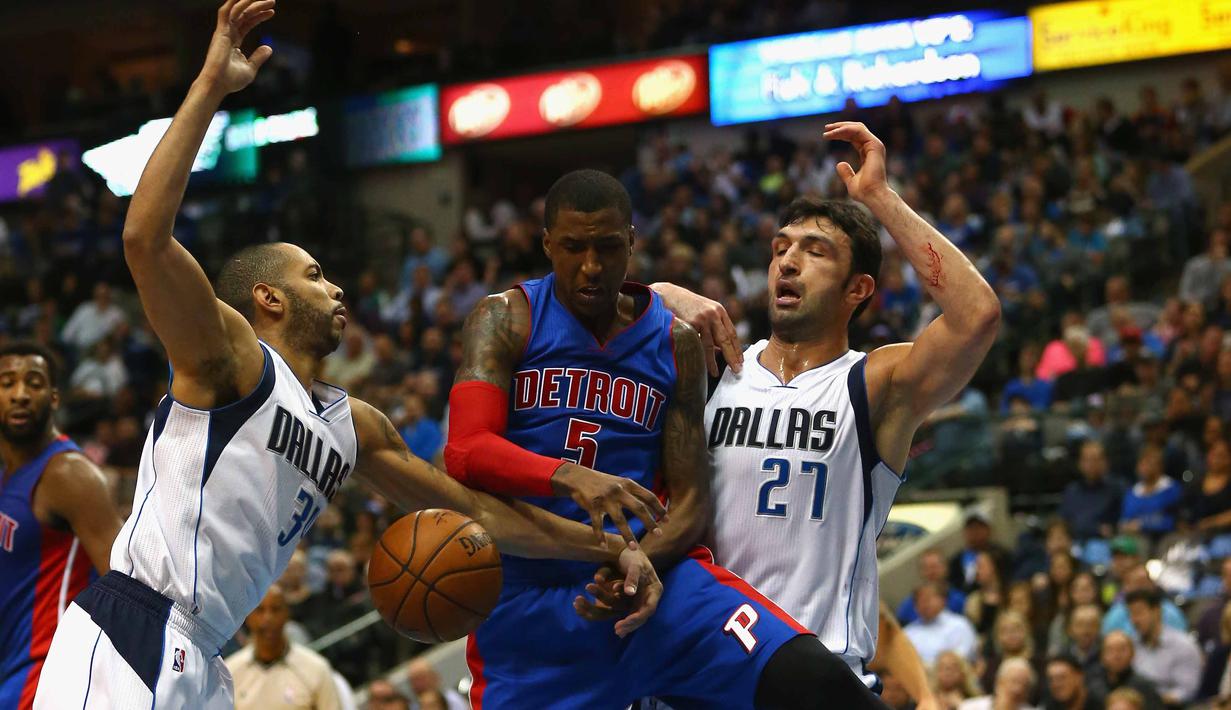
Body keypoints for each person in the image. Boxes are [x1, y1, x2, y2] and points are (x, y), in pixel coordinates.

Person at [34, 5, 661, 708]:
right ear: (267, 299)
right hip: (134, 627)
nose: (334, 288)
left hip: (206, 654)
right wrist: (211, 84)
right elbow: (144, 240)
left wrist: (608, 548)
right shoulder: (232, 360)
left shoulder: (351, 425)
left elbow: (480, 516)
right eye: (312, 275)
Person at [446, 166, 888, 709]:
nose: (590, 266)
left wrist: (637, 560)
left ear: (632, 242)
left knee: (815, 680)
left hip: (654, 582)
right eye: (572, 248)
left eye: (607, 247)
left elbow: (691, 501)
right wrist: (569, 477)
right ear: (546, 245)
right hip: (526, 599)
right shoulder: (505, 317)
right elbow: (465, 450)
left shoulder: (673, 342)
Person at [651, 121, 1000, 696]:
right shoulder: (714, 366)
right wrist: (662, 291)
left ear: (858, 290)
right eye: (781, 248)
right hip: (701, 674)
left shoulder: (874, 383)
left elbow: (976, 316)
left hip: (818, 678)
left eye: (815, 252)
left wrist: (878, 199)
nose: (787, 262)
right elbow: (587, 315)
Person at [0, 342, 124, 710]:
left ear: (54, 398)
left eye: (33, 383)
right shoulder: (7, 474)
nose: (20, 394)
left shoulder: (70, 475)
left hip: (46, 679)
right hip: (10, 669)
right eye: (7, 383)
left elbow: (125, 583)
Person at [225, 586, 341, 710]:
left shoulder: (317, 669)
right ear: (247, 617)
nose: (268, 618)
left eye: (275, 609)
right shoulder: (230, 672)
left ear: (287, 614)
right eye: (260, 610)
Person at [1125, 589, 1200, 706]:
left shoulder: (1183, 646)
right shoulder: (1131, 644)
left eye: (1139, 613)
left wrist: (1152, 698)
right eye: (1131, 614)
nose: (1134, 620)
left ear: (1156, 611)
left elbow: (1187, 692)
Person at [1058, 440, 1123, 541]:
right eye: (1087, 460)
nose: (1091, 464)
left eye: (1096, 460)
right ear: (1080, 463)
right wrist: (1095, 529)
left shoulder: (1117, 489)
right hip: (1074, 542)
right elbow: (1064, 523)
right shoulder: (1071, 491)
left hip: (1105, 544)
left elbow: (1119, 525)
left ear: (1105, 462)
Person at [905, 583, 980, 665]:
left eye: (927, 599)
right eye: (918, 601)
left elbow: (961, 659)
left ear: (943, 600)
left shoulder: (959, 625)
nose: (923, 604)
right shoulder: (908, 632)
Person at [899, 549, 967, 624]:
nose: (931, 572)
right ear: (921, 572)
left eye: (935, 566)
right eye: (926, 568)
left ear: (945, 568)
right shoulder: (908, 606)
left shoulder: (959, 599)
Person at [957, 657, 1037, 710]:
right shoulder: (970, 707)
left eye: (1024, 685)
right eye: (1014, 681)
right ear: (999, 683)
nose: (1018, 689)